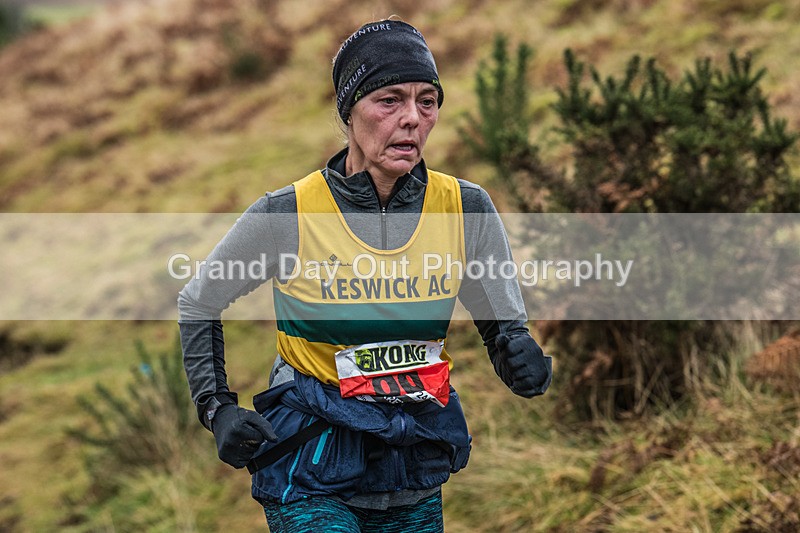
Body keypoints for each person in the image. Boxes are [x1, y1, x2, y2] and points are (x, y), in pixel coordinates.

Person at [178, 18, 552, 533]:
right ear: (348, 112)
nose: (412, 120)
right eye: (390, 100)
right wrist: (216, 407)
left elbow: (503, 327)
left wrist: (518, 357)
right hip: (311, 461)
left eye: (427, 101)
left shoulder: (465, 208)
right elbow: (199, 301)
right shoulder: (287, 214)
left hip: (412, 460)